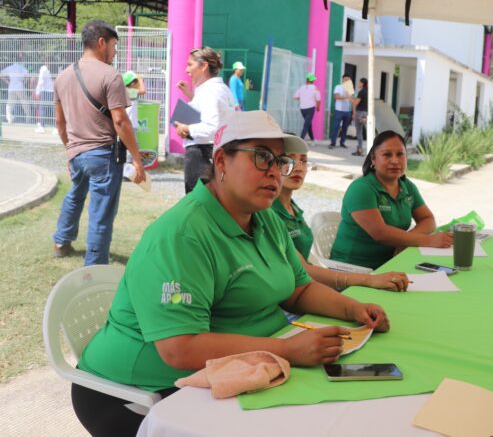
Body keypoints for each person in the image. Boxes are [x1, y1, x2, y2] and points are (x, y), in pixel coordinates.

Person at [72, 110, 390, 437]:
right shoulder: (183, 236)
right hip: (139, 391)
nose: (275, 173)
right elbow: (180, 348)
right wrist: (287, 350)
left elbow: (299, 290)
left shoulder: (266, 219)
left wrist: (354, 309)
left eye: (281, 162)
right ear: (222, 161)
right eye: (262, 158)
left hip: (246, 366)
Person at [52, 20, 146, 265]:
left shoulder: (62, 77)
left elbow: (60, 124)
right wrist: (137, 159)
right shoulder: (111, 75)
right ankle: (94, 268)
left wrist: (70, 151)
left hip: (76, 152)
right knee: (101, 213)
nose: (115, 51)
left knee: (74, 196)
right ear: (102, 42)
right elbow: (121, 121)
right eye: (114, 45)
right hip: (103, 154)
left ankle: (61, 241)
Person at [274, 146, 411, 291]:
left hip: (310, 287)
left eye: (304, 161)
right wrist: (368, 280)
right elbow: (303, 270)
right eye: (287, 160)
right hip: (293, 297)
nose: (298, 168)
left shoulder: (293, 208)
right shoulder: (269, 213)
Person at [331, 130, 452, 270]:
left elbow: (427, 219)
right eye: (387, 155)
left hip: (392, 264)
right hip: (354, 269)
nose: (395, 160)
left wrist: (407, 240)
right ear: (374, 159)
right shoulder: (361, 189)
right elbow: (380, 233)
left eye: (400, 154)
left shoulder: (407, 186)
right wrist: (428, 240)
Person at [175, 47, 237, 193]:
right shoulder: (217, 89)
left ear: (204, 66)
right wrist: (191, 96)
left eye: (190, 64)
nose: (186, 69)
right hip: (212, 152)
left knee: (199, 206)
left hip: (202, 153)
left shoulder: (210, 91)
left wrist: (186, 129)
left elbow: (213, 128)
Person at [1, 59, 31, 125]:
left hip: (11, 87)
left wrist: (7, 82)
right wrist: (24, 82)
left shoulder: (10, 68)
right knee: (25, 102)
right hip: (20, 87)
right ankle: (28, 118)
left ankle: (9, 119)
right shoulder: (22, 67)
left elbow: (1, 74)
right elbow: (28, 76)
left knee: (10, 103)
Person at [293, 72, 320, 143]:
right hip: (310, 109)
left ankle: (313, 140)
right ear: (313, 80)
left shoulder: (301, 87)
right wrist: (318, 108)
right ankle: (300, 141)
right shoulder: (315, 88)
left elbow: (295, 97)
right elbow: (318, 100)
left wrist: (303, 97)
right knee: (306, 124)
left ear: (306, 80)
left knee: (308, 124)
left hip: (302, 109)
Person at [328, 74, 353, 149]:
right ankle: (333, 142)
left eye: (348, 80)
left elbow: (352, 99)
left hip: (347, 111)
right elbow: (336, 97)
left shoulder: (350, 89)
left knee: (345, 127)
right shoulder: (338, 87)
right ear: (342, 79)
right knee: (336, 127)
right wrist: (347, 97)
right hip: (339, 110)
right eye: (345, 79)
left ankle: (342, 142)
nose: (346, 81)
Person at [34, 63, 54, 133]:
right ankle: (57, 127)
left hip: (44, 90)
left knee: (42, 109)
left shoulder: (43, 68)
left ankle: (42, 127)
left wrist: (37, 91)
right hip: (51, 91)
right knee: (52, 109)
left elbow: (41, 81)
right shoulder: (52, 69)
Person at [351, 77, 368, 156]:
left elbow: (356, 103)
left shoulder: (361, 92)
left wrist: (351, 98)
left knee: (359, 132)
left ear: (362, 83)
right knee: (364, 131)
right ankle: (360, 149)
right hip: (365, 113)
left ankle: (360, 150)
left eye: (359, 82)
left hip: (360, 113)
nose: (358, 84)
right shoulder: (368, 92)